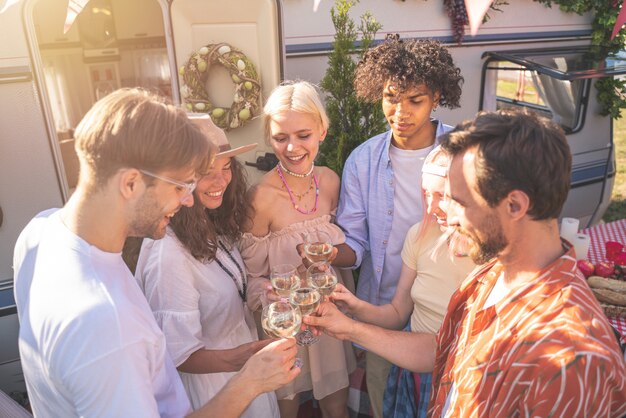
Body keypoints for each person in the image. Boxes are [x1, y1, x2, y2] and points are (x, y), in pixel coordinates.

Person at [308, 108, 626, 416]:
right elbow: (441, 351)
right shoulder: (488, 274)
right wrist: (348, 328)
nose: (447, 217)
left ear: (514, 205)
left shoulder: (571, 358)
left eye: (459, 202)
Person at [13, 88, 299, 418]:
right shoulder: (107, 326)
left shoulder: (39, 230)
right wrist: (249, 383)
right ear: (131, 183)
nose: (189, 200)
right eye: (180, 186)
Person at [333, 35, 463, 417]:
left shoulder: (463, 150)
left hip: (443, 310)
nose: (400, 112)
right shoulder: (362, 160)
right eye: (391, 97)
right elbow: (355, 242)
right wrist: (328, 251)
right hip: (384, 305)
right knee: (383, 402)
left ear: (436, 96)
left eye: (415, 100)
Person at [300, 146, 475, 417]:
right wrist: (353, 305)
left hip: (460, 379)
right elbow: (397, 314)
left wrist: (351, 328)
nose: (430, 206)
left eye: (442, 195)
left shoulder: (490, 258)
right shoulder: (419, 235)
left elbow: (443, 348)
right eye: (426, 193)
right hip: (411, 370)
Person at [135, 114, 280, 416]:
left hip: (243, 375)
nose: (221, 181)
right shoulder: (168, 253)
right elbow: (180, 356)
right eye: (206, 172)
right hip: (214, 390)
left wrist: (265, 292)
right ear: (178, 177)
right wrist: (247, 359)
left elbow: (232, 285)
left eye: (226, 168)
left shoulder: (211, 222)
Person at [240, 80, 356, 418]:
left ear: (322, 129)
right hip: (285, 324)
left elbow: (347, 251)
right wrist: (268, 294)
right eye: (280, 138)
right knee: (286, 405)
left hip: (328, 315)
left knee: (337, 405)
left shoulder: (332, 181)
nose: (292, 147)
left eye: (303, 135)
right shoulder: (260, 199)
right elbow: (250, 277)